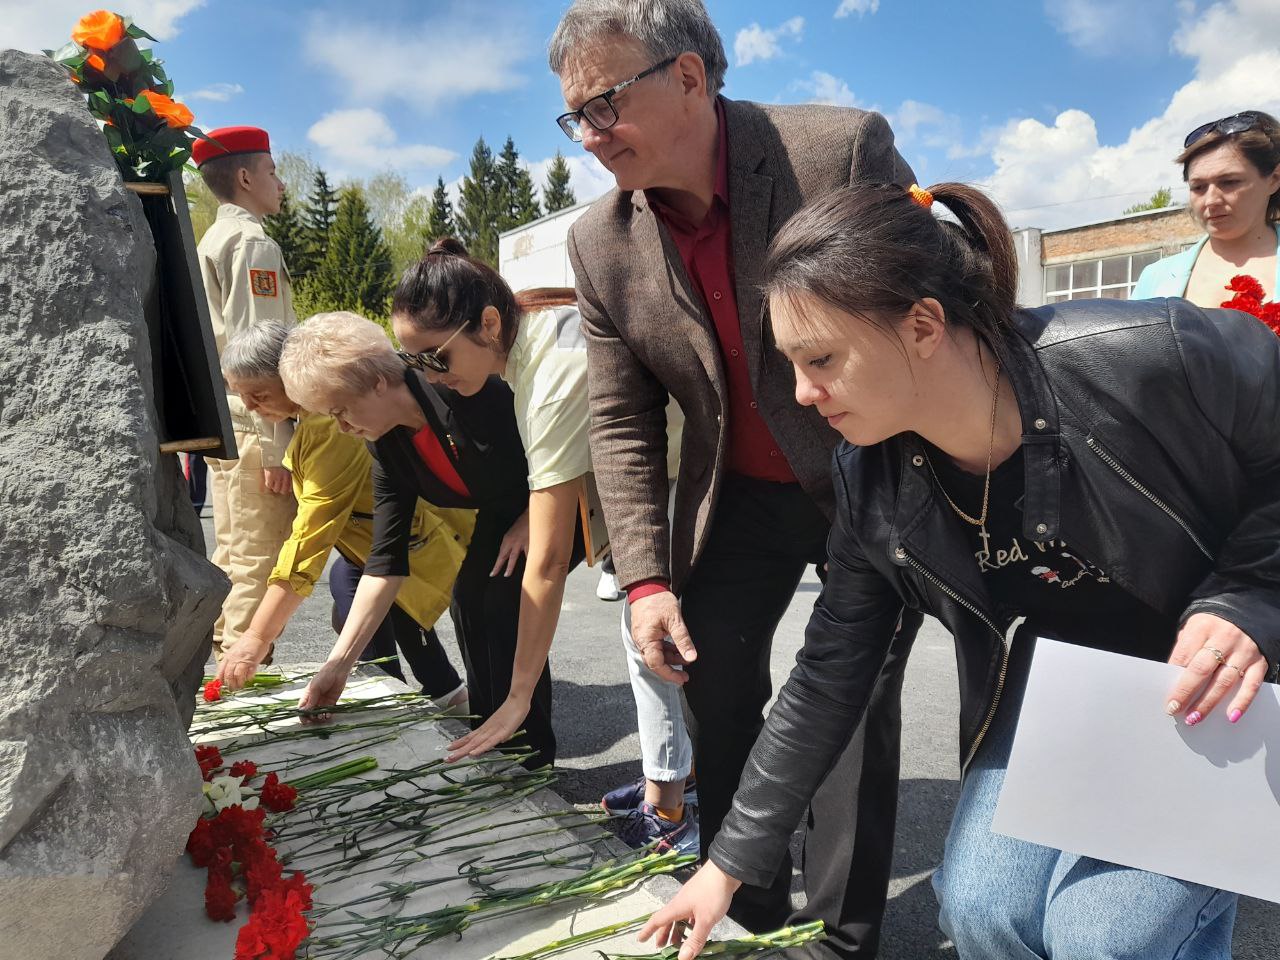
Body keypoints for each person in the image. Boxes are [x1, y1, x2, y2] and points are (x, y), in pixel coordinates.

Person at [640, 179, 1280, 960]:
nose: (804, 395)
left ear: (921, 325)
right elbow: (828, 675)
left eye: (822, 359)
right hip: (1067, 696)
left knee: (1106, 936)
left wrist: (1248, 598)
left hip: (1226, 686)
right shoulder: (870, 479)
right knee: (977, 910)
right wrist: (728, 865)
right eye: (792, 366)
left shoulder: (1155, 356)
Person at [549, 0, 920, 947]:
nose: (589, 138)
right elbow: (623, 420)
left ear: (689, 76)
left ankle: (840, 934)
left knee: (852, 702)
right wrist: (643, 581)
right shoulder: (600, 243)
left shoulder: (834, 156)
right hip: (739, 495)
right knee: (709, 682)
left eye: (603, 106)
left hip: (867, 475)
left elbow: (940, 303)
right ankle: (747, 900)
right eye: (573, 117)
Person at [276, 311, 556, 768]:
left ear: (377, 383)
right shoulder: (386, 444)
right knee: (469, 600)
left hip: (559, 493)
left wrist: (531, 517)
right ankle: (492, 744)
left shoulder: (465, 389)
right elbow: (385, 561)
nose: (342, 427)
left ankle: (528, 756)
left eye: (342, 410)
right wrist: (339, 665)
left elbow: (556, 445)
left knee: (503, 599)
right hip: (501, 512)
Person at [209, 321, 474, 708]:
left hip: (412, 539)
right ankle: (415, 695)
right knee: (361, 599)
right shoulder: (318, 420)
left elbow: (308, 539)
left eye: (258, 395)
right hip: (376, 547)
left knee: (381, 605)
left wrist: (255, 637)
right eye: (241, 397)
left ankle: (410, 699)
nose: (250, 408)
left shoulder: (331, 428)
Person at [194, 125, 297, 660]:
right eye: (273, 172)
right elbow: (259, 353)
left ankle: (222, 673)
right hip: (256, 425)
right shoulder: (251, 242)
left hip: (230, 421)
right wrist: (278, 444)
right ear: (244, 176)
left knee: (234, 554)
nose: (280, 183)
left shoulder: (213, 238)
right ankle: (243, 684)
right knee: (259, 559)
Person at [1133, 110, 1280, 304]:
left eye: (1229, 182)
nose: (1211, 200)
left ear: (1274, 180)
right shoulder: (1155, 277)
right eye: (1198, 187)